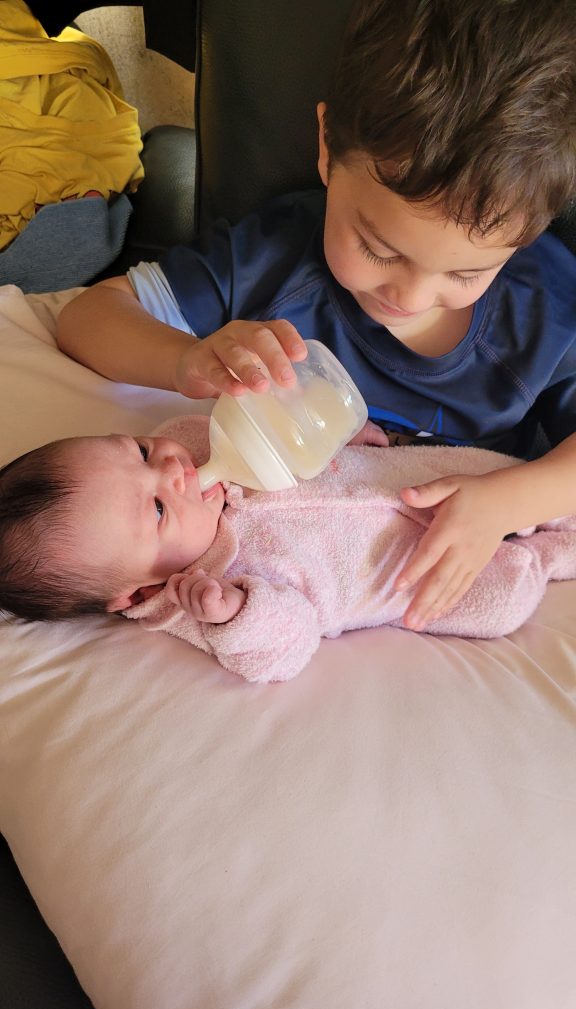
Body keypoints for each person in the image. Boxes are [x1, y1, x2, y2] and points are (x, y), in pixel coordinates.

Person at [56, 0, 576, 635]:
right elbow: (87, 316)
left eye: (466, 275)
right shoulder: (271, 262)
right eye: (379, 249)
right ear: (327, 146)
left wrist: (513, 500)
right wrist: (186, 360)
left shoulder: (549, 308)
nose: (410, 297)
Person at [1, 415, 576, 683]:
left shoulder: (199, 443)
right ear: (142, 588)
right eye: (156, 508)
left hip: (415, 478)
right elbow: (287, 645)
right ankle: (550, 557)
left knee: (499, 475)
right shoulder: (193, 600)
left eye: (140, 450)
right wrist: (235, 615)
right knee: (501, 597)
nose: (173, 470)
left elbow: (278, 431)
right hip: (413, 574)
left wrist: (334, 434)